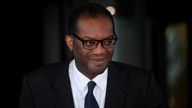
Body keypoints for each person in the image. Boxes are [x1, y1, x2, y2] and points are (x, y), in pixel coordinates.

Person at [19, 3, 165, 108]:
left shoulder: (142, 85)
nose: (100, 51)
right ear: (70, 42)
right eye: (89, 43)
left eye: (108, 41)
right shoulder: (36, 85)